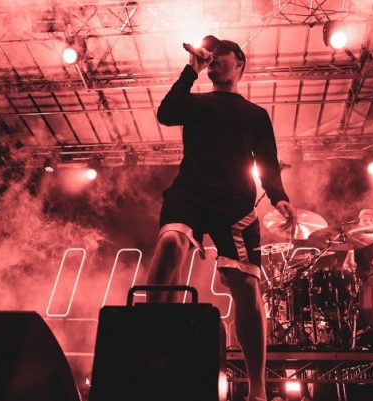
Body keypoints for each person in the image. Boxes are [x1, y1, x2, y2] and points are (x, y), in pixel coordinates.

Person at [147, 35, 297, 401]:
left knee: (246, 284)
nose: (212, 57)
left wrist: (279, 198)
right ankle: (151, 349)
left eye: (220, 53)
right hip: (190, 191)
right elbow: (166, 114)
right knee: (170, 244)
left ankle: (257, 389)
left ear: (239, 63)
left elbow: (266, 161)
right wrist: (191, 70)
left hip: (234, 201)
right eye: (209, 54)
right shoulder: (196, 102)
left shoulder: (255, 114)